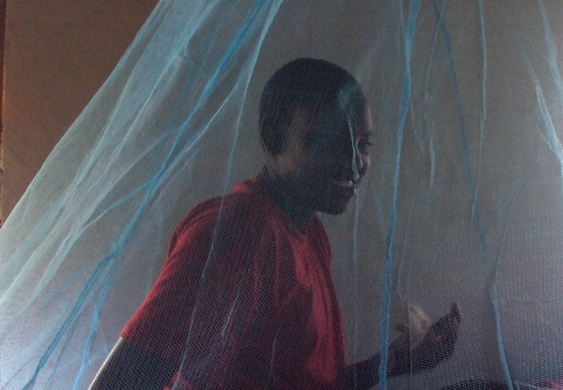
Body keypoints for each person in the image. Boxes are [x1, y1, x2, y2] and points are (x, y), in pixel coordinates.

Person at [89, 58, 460, 390]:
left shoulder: (308, 233)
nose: (355, 163)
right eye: (331, 142)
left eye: (363, 145)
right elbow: (121, 382)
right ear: (272, 140)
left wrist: (395, 362)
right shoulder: (240, 233)